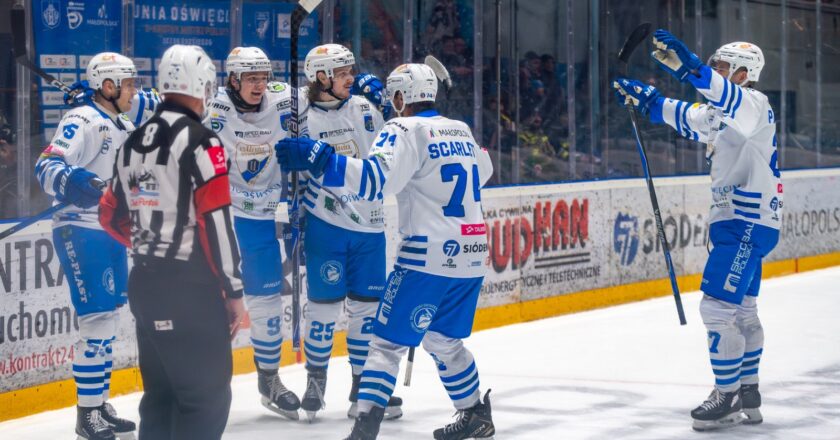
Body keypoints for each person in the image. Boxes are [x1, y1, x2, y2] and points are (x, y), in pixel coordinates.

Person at [276, 62, 496, 440]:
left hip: (426, 257)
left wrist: (322, 158)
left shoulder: (401, 129)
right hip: (472, 253)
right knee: (442, 339)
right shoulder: (460, 129)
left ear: (398, 97)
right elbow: (484, 170)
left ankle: (364, 429)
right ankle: (476, 413)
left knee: (385, 344)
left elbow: (374, 182)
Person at [613, 30, 781, 431]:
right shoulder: (725, 113)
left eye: (722, 66)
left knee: (716, 310)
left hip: (744, 224)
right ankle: (747, 391)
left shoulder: (753, 104)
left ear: (743, 73)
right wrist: (647, 99)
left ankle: (727, 396)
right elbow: (687, 116)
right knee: (743, 311)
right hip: (742, 224)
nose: (715, 70)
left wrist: (690, 68)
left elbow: (718, 93)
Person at [99, 44, 246, 440]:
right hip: (190, 292)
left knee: (160, 400)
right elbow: (216, 222)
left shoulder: (131, 142)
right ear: (202, 86)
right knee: (204, 401)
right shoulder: (202, 141)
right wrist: (233, 290)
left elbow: (109, 213)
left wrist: (149, 243)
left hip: (145, 287)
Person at [34, 52, 142, 440]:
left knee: (108, 321)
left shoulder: (120, 120)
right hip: (80, 230)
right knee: (96, 321)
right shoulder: (81, 120)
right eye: (127, 85)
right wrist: (71, 181)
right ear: (108, 87)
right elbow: (46, 165)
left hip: (109, 231)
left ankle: (99, 403)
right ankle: (87, 414)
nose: (134, 92)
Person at [295, 43, 401, 422]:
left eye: (350, 71)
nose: (351, 78)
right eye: (342, 73)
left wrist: (390, 109)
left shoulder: (366, 109)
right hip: (325, 225)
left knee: (366, 311)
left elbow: (398, 149)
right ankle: (316, 380)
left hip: (369, 226)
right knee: (323, 311)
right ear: (320, 77)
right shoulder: (299, 115)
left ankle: (361, 386)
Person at [205, 46, 301, 419]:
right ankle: (206, 385)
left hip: (261, 219)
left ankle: (269, 380)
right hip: (224, 221)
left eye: (263, 77)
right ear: (233, 80)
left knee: (266, 302)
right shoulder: (215, 109)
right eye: (251, 78)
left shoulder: (284, 101)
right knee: (213, 306)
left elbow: (328, 101)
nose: (259, 85)